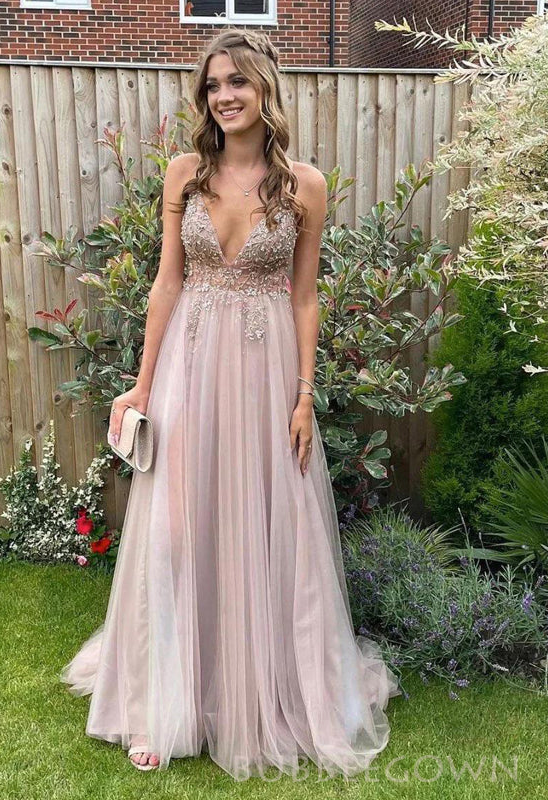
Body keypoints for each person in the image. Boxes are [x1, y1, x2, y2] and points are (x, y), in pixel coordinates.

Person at [60, 27, 400, 782]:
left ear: (264, 87)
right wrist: (143, 384)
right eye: (213, 85)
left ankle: (263, 689)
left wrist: (305, 395)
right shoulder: (185, 174)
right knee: (179, 528)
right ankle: (165, 698)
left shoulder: (304, 185)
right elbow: (167, 283)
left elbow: (305, 296)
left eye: (237, 81)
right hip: (190, 368)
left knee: (267, 525)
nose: (224, 96)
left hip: (266, 371)